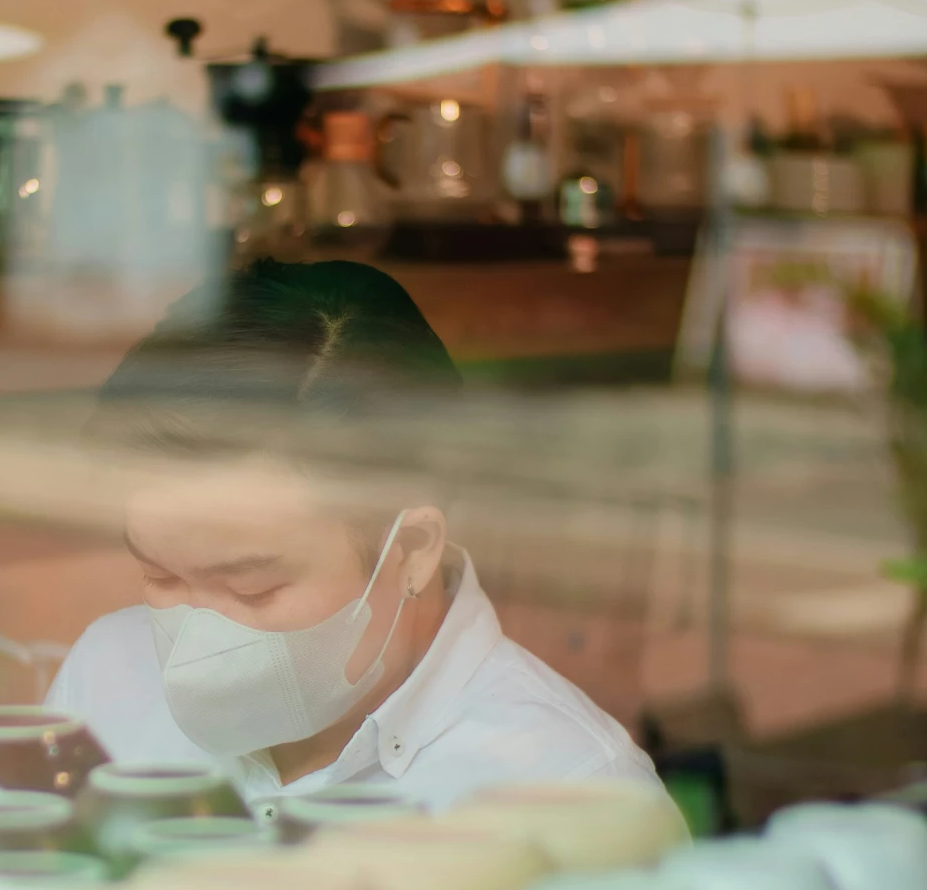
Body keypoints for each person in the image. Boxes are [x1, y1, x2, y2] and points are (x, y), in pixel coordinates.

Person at [51, 259, 661, 816]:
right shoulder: (105, 683)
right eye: (162, 576)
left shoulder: (572, 791)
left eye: (253, 588)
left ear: (414, 549)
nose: (199, 638)